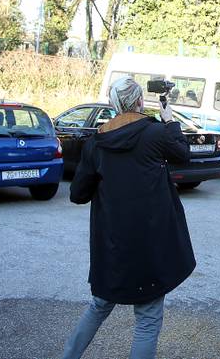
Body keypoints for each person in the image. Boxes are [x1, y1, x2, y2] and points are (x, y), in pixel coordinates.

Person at [61, 75, 195, 359]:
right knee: (147, 318)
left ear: (114, 105)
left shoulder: (97, 143)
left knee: (99, 305)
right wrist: (170, 121)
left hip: (112, 246)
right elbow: (183, 154)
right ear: (138, 102)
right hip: (149, 244)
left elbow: (77, 194)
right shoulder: (155, 133)